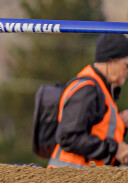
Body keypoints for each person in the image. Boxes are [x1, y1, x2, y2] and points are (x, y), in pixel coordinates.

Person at [49, 34, 128, 168]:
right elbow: (68, 137)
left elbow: (97, 130)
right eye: (126, 65)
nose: (127, 72)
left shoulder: (102, 88)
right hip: (68, 176)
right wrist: (115, 149)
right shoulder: (87, 89)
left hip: (86, 175)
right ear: (111, 61)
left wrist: (121, 123)